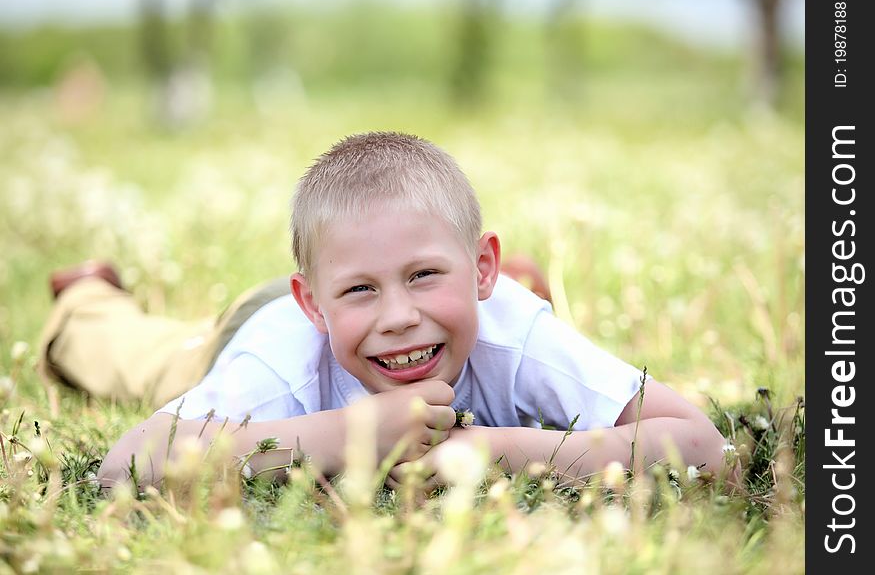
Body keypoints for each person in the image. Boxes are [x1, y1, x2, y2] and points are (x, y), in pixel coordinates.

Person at [41, 131, 728, 489]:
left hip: (437, 314)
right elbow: (125, 465)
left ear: (481, 268)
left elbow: (700, 444)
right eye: (367, 287)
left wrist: (495, 448)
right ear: (314, 300)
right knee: (149, 360)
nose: (398, 315)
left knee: (513, 342)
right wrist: (351, 433)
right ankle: (86, 298)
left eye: (423, 275)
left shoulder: (509, 331)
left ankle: (444, 289)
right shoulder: (278, 360)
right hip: (258, 330)